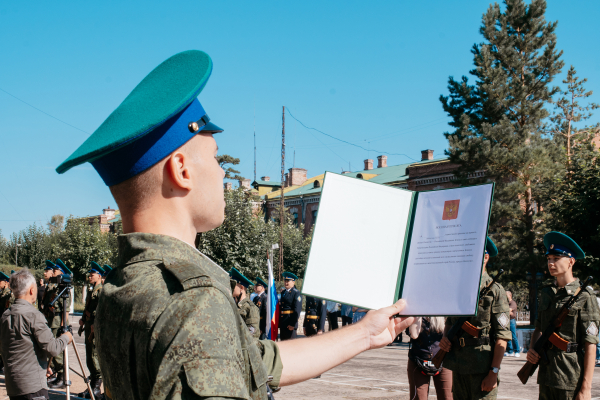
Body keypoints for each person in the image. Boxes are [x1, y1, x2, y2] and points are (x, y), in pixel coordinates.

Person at [57, 50, 414, 398]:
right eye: (214, 158)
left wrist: (366, 334)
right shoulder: (194, 303)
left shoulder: (124, 286)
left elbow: (257, 363)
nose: (221, 172)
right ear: (181, 171)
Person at [526, 232, 599, 400]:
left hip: (570, 375)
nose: (551, 263)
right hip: (546, 373)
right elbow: (539, 328)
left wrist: (586, 388)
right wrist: (532, 349)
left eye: (556, 258)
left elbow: (591, 344)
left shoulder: (585, 296)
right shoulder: (546, 292)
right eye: (549, 258)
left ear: (571, 261)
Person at [439, 237, 511, 400]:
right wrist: (444, 338)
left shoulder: (495, 290)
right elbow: (450, 322)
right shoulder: (459, 288)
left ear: (486, 257)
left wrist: (494, 372)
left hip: (482, 366)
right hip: (459, 365)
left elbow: (502, 336)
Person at [0, 269, 73, 400]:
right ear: (32, 290)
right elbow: (53, 348)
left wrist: (41, 365)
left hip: (13, 385)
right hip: (33, 388)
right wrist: (67, 337)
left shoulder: (5, 315)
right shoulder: (33, 315)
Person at [42, 259, 72, 389]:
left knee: (58, 351)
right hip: (51, 321)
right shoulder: (54, 287)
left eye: (55, 271)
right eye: (52, 270)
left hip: (57, 322)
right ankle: (56, 374)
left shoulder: (64, 289)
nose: (53, 272)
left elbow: (66, 310)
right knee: (52, 350)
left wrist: (62, 325)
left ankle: (62, 376)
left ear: (62, 273)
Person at [407, 317, 452, 400]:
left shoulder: (445, 312)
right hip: (418, 360)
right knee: (418, 397)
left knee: (447, 396)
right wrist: (417, 315)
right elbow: (414, 334)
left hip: (443, 359)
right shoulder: (415, 311)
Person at [77, 262, 104, 399]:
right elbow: (87, 308)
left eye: (92, 275)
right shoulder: (91, 291)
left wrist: (93, 322)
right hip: (88, 326)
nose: (89, 277)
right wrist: (83, 319)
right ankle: (92, 385)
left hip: (94, 327)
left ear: (99, 276)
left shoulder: (100, 291)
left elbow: (101, 311)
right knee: (89, 356)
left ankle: (97, 387)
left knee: (94, 356)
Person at [230, 268, 261, 339]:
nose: (230, 287)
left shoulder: (250, 307)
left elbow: (252, 336)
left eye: (233, 285)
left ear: (241, 287)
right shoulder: (234, 305)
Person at [279, 272, 303, 341]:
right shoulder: (283, 292)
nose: (286, 282)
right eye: (285, 280)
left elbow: (297, 310)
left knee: (291, 345)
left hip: (290, 322)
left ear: (293, 282)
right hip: (283, 322)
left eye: (288, 281)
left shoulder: (296, 293)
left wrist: (292, 324)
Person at [503, 291, 520, 358]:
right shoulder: (505, 303)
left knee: (513, 336)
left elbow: (508, 310)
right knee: (507, 336)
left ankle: (517, 351)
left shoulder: (512, 303)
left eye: (506, 295)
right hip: (506, 320)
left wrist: (506, 310)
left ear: (509, 295)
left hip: (511, 320)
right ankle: (510, 351)